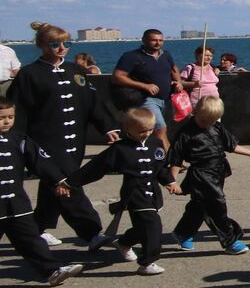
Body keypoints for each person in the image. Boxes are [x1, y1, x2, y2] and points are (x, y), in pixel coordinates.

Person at [10, 22, 120, 249]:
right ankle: (92, 233)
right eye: (55, 44)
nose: (61, 48)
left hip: (74, 141)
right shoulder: (30, 74)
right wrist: (16, 143)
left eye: (66, 44)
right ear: (42, 45)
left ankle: (36, 228)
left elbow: (93, 103)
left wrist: (108, 127)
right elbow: (18, 112)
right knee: (67, 183)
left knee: (54, 186)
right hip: (45, 142)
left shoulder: (75, 71)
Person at [57, 107, 181, 276]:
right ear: (128, 129)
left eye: (150, 129)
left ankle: (123, 242)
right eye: (142, 131)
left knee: (142, 227)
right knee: (153, 227)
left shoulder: (156, 143)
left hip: (153, 193)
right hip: (134, 194)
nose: (147, 133)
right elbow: (96, 167)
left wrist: (170, 181)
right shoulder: (120, 149)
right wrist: (70, 183)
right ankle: (147, 262)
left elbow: (160, 167)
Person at [0, 97, 85, 286]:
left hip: (16, 204)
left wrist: (59, 180)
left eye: (11, 117)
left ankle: (52, 271)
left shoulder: (20, 140)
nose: (7, 122)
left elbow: (41, 162)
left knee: (31, 240)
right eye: (2, 118)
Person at [168, 96, 250, 255]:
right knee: (216, 206)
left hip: (218, 171)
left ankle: (183, 233)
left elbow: (231, 145)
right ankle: (230, 240)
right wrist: (172, 181)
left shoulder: (217, 127)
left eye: (212, 121)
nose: (207, 124)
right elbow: (176, 159)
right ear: (196, 112)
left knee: (199, 205)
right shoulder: (185, 133)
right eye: (204, 120)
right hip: (201, 175)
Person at [112, 28, 183, 150]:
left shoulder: (166, 55)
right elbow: (117, 77)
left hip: (165, 99)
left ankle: (156, 157)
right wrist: (144, 86)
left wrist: (179, 82)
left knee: (158, 130)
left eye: (160, 40)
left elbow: (174, 69)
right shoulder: (131, 56)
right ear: (144, 40)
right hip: (146, 99)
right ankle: (170, 161)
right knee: (160, 128)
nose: (158, 43)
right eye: (154, 40)